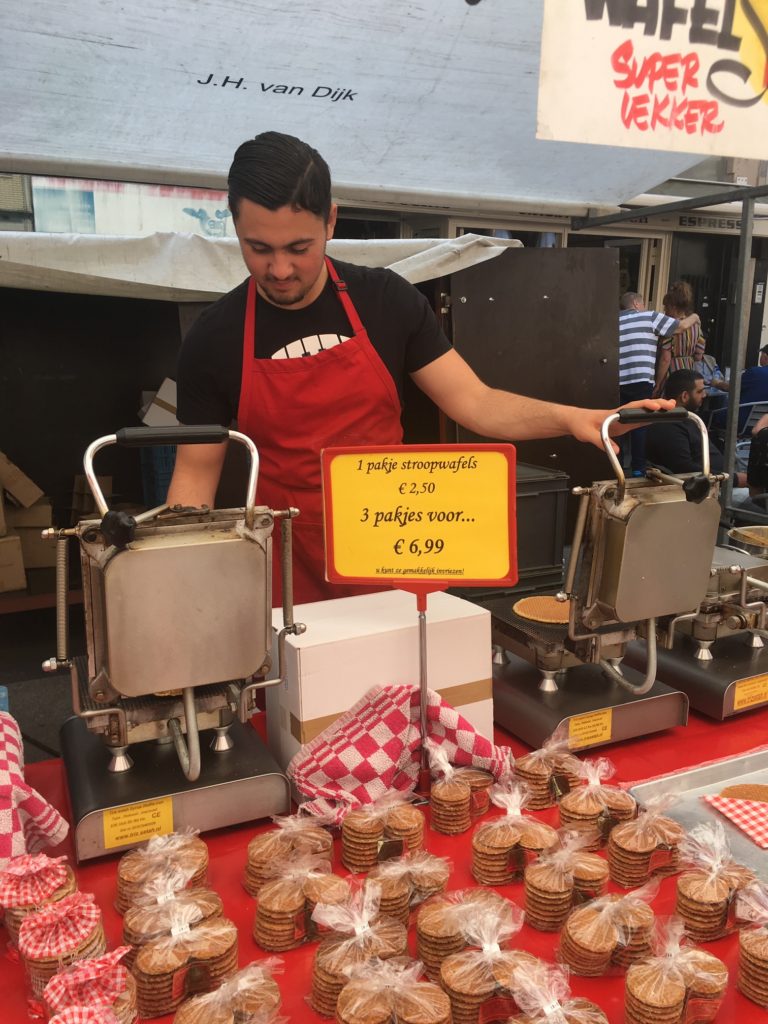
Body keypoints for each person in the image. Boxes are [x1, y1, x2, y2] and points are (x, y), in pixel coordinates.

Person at [168, 131, 672, 605]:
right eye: (259, 249)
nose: (279, 270)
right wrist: (179, 583)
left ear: (331, 222)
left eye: (299, 248)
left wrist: (575, 418)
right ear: (235, 227)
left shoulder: (386, 302)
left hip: (394, 546)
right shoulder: (215, 337)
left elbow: (476, 402)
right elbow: (194, 476)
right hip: (286, 565)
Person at [617, 291, 686, 476]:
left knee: (618, 421)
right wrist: (695, 316)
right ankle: (638, 468)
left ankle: (617, 465)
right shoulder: (649, 317)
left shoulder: (613, 321)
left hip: (618, 380)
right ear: (637, 304)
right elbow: (680, 327)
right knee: (639, 423)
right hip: (640, 378)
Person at [645, 369, 745, 485]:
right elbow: (683, 469)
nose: (704, 395)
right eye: (700, 391)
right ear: (685, 396)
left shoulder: (688, 418)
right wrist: (736, 480)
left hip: (722, 481)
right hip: (710, 489)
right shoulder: (668, 425)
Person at [654, 280, 704, 396]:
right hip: (689, 373)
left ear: (673, 307)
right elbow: (699, 355)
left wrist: (658, 383)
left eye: (666, 307)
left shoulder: (670, 328)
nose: (664, 310)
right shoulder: (696, 326)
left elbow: (665, 359)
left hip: (672, 374)